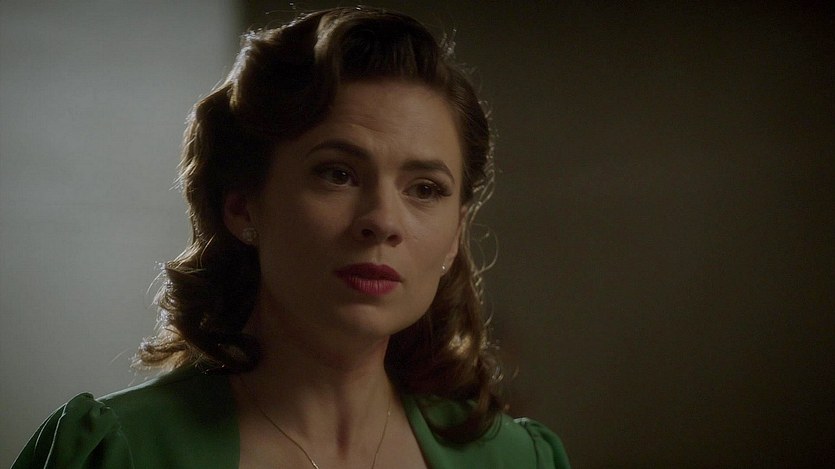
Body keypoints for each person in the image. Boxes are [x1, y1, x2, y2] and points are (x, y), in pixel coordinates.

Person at [13, 6, 569, 469]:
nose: (383, 220)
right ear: (242, 208)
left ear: (454, 236)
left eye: (424, 188)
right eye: (338, 174)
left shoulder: (517, 460)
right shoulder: (118, 454)